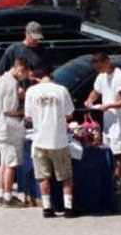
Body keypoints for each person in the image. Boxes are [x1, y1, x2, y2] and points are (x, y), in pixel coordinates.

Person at [23, 64, 79, 218]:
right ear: (50, 75)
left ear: (36, 77)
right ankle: (68, 207)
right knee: (65, 176)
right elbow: (69, 114)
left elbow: (28, 116)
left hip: (39, 139)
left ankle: (47, 207)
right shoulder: (61, 90)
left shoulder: (31, 92)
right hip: (58, 140)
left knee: (43, 176)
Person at [85, 52, 121, 188]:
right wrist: (90, 99)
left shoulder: (119, 78)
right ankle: (110, 178)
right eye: (97, 68)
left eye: (100, 67)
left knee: (118, 152)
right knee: (107, 149)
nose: (99, 71)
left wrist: (110, 105)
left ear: (107, 62)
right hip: (109, 120)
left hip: (120, 121)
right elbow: (96, 91)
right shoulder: (102, 76)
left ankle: (118, 181)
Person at [0, 56, 31, 207]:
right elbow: (9, 110)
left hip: (0, 124)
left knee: (3, 161)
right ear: (21, 69)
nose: (25, 78)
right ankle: (8, 196)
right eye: (26, 74)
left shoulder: (0, 80)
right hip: (9, 126)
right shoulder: (11, 83)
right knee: (11, 163)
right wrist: (23, 111)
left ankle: (1, 193)